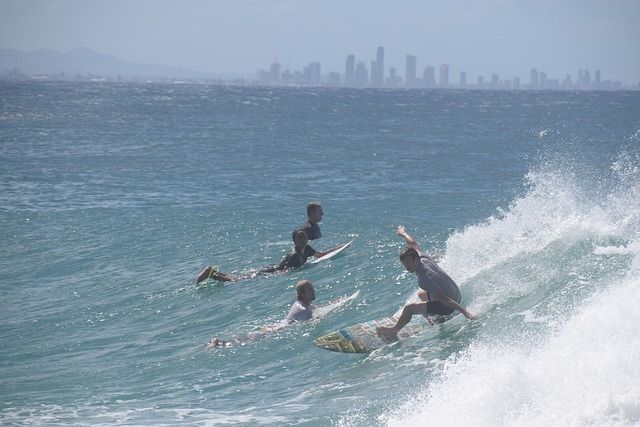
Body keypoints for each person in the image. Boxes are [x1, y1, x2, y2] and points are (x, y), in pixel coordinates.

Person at [376, 225, 476, 341]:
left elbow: (444, 299)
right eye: (404, 264)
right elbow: (412, 243)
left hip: (448, 305)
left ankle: (393, 331)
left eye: (409, 263)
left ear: (415, 259)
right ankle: (438, 317)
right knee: (421, 294)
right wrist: (403, 233)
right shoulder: (422, 257)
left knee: (409, 308)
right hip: (456, 294)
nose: (407, 267)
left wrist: (466, 313)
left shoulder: (424, 278)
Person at [207, 280, 317, 348]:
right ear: (302, 294)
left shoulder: (300, 304)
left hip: (276, 326)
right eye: (310, 290)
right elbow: (309, 321)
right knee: (249, 340)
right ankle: (220, 343)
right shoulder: (304, 309)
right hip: (278, 330)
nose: (313, 291)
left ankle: (221, 343)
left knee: (249, 338)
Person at [196, 231, 334, 285]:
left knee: (236, 277)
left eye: (305, 237)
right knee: (235, 280)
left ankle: (213, 272)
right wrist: (274, 279)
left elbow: (321, 255)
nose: (304, 239)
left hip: (272, 268)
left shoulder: (308, 249)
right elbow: (284, 271)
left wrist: (338, 248)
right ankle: (210, 274)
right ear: (294, 241)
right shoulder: (294, 255)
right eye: (300, 238)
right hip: (269, 271)